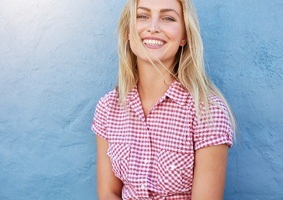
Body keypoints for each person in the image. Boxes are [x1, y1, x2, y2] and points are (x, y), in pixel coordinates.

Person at [92, 0, 235, 199]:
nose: (153, 27)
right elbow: (109, 192)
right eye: (142, 16)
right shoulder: (108, 108)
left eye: (168, 18)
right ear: (128, 31)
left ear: (184, 36)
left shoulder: (207, 113)